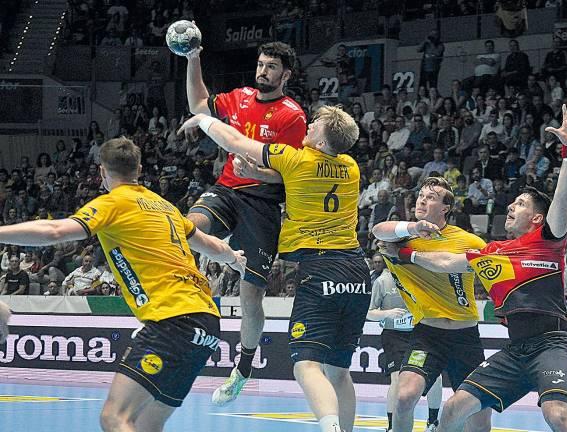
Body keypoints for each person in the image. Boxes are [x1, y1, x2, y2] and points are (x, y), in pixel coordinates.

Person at [0, 137, 246, 431]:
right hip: (206, 323)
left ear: (102, 171)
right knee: (144, 426)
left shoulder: (112, 203)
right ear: (139, 169)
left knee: (115, 418)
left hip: (171, 320)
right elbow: (208, 245)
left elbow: (54, 231)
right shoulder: (164, 206)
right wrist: (233, 257)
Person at [378, 105, 567, 432]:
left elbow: (563, 196)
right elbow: (446, 262)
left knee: (557, 415)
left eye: (519, 204)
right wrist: (407, 256)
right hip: (516, 349)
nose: (511, 206)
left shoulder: (548, 240)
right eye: (513, 202)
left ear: (536, 219)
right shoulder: (493, 251)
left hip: (552, 342)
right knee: (452, 409)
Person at [180, 105, 369, 432]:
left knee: (306, 366)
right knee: (338, 370)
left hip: (321, 268)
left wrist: (203, 119)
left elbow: (235, 140)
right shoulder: (350, 166)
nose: (309, 127)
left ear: (323, 143)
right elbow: (293, 179)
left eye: (316, 126)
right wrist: (257, 174)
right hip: (356, 270)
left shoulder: (294, 158)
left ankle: (331, 429)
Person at [184, 41, 307, 404]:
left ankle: (244, 367)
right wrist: (194, 59)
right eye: (260, 64)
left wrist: (258, 172)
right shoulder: (238, 98)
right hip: (226, 192)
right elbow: (198, 105)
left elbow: (291, 176)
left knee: (251, 293)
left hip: (263, 206)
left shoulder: (292, 116)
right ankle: (186, 309)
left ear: (285, 75)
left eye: (271, 67)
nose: (262, 71)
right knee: (185, 227)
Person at [372, 177, 490, 432]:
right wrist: (414, 229)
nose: (422, 200)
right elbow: (379, 230)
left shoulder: (470, 241)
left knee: (479, 418)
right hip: (427, 334)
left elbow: (450, 263)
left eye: (431, 197)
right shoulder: (401, 237)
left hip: (465, 335)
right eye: (421, 196)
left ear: (445, 208)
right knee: (404, 397)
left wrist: (409, 255)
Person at [366, 263, 444, 432]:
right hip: (394, 336)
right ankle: (392, 426)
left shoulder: (420, 277)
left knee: (435, 378)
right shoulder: (382, 281)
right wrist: (386, 313)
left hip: (420, 334)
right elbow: (369, 312)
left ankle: (432, 422)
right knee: (397, 379)